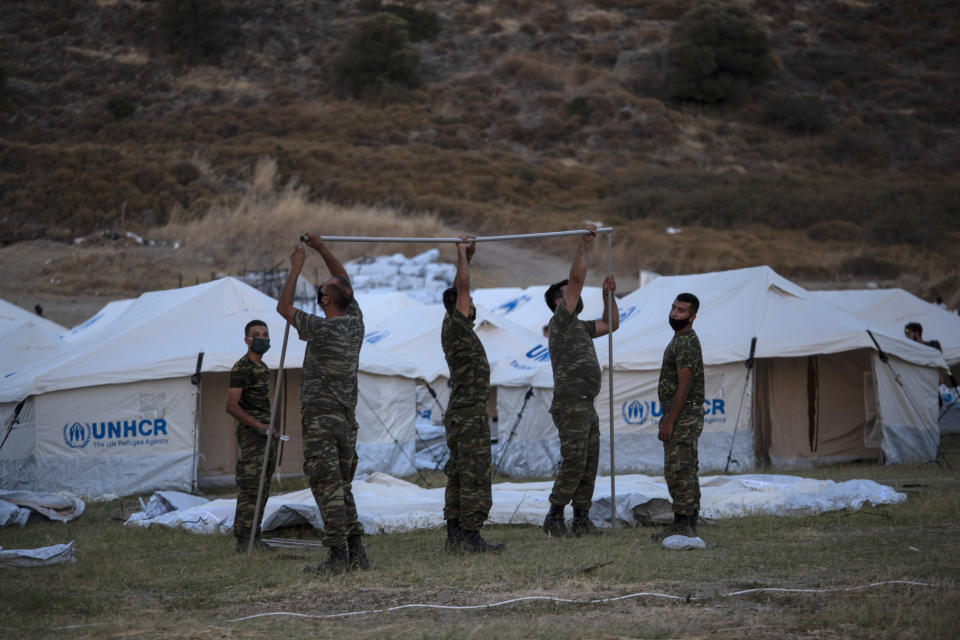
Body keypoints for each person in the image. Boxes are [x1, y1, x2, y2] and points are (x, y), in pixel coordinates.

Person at [277, 233, 369, 575]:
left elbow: (283, 308)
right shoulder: (356, 325)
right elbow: (344, 284)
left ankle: (338, 558)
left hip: (322, 422)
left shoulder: (320, 329)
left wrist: (297, 266)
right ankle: (357, 552)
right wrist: (322, 249)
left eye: (324, 286)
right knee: (342, 489)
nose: (322, 287)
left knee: (327, 489)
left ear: (326, 299)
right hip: (346, 422)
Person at [541, 224, 619, 538]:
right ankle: (555, 516)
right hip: (571, 404)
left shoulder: (581, 327)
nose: (576, 295)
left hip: (586, 404)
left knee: (589, 462)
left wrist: (607, 295)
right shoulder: (560, 322)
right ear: (559, 303)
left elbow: (611, 323)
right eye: (570, 295)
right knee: (574, 460)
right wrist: (582, 246)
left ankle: (582, 518)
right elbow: (576, 279)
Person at [440, 236, 504, 553]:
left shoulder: (450, 325)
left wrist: (466, 260)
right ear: (461, 308)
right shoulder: (458, 328)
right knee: (475, 476)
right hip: (469, 415)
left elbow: (457, 291)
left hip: (459, 413)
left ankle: (456, 536)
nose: (473, 306)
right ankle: (470, 537)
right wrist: (462, 254)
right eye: (469, 304)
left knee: (457, 474)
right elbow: (462, 292)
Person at [651, 293, 705, 541]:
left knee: (678, 470)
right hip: (683, 414)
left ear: (692, 317)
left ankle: (683, 523)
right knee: (687, 468)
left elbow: (685, 384)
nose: (674, 313)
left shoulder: (684, 343)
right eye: (673, 308)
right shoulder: (681, 339)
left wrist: (670, 420)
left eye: (681, 310)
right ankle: (689, 521)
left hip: (683, 416)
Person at [225, 319, 279, 552]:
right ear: (247, 340)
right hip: (251, 436)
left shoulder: (264, 368)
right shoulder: (242, 367)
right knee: (251, 487)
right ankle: (244, 540)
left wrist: (270, 428)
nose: (262, 338)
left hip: (265, 435)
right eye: (256, 334)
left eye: (265, 334)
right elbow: (231, 406)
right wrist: (259, 425)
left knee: (263, 487)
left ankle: (255, 537)